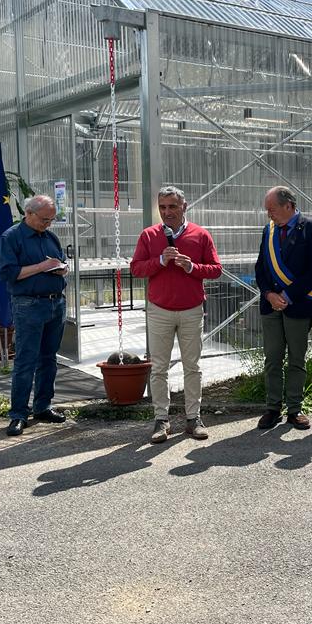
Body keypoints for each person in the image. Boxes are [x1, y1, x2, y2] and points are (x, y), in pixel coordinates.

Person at [130, 186, 223, 444]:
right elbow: (136, 269)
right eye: (162, 207)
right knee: (159, 368)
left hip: (192, 310)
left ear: (184, 206)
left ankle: (194, 419)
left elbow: (216, 269)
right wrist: (160, 261)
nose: (167, 212)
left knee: (192, 366)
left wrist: (192, 267)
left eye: (172, 206)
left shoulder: (200, 235)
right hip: (160, 310)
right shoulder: (149, 235)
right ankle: (161, 420)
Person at [254, 186, 312, 430]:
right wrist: (269, 294)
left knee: (297, 358)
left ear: (288, 205)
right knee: (272, 358)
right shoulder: (269, 230)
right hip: (271, 305)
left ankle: (295, 408)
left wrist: (286, 295)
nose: (269, 214)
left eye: (272, 209)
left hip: (298, 303)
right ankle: (272, 408)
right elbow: (260, 268)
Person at [0, 195, 69, 437]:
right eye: (44, 219)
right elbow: (7, 273)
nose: (48, 224)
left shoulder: (50, 237)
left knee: (49, 358)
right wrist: (41, 267)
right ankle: (18, 414)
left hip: (55, 303)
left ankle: (42, 406)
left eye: (51, 220)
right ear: (28, 213)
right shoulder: (11, 237)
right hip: (28, 304)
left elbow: (60, 261)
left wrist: (61, 269)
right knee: (26, 360)